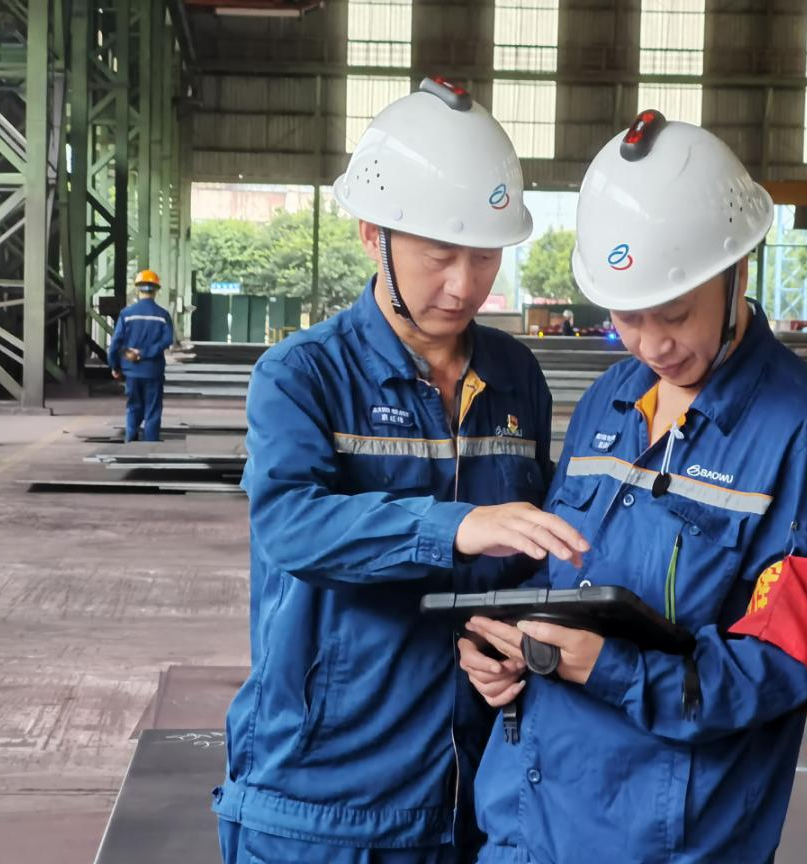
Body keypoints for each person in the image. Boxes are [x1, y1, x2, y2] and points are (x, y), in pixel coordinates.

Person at [460, 112, 807, 864]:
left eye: (677, 314)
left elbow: (791, 662)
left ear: (736, 271)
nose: (653, 343)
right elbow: (562, 576)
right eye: (627, 317)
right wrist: (506, 646)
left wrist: (610, 669)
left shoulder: (803, 437)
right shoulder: (611, 401)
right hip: (525, 822)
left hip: (660, 841)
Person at [212, 78, 590, 864]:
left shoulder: (515, 378)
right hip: (321, 798)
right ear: (371, 235)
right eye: (439, 255)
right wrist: (456, 527)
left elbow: (529, 556)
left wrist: (508, 641)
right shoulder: (303, 375)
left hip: (476, 790)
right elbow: (291, 525)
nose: (464, 284)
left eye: (484, 256)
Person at [107, 269, 174, 442]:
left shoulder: (127, 314)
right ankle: (150, 446)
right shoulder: (163, 315)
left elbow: (115, 343)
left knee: (133, 407)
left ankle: (130, 441)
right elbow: (167, 340)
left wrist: (114, 366)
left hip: (132, 372)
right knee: (152, 410)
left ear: (138, 289)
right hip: (153, 371)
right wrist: (145, 353)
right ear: (156, 290)